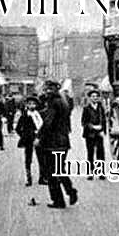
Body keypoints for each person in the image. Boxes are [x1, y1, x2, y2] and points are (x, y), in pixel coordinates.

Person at [39, 80, 78, 208]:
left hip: (52, 142)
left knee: (51, 172)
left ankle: (58, 201)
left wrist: (39, 137)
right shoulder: (63, 101)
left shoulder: (52, 102)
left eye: (47, 89)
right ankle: (71, 191)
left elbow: (48, 122)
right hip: (63, 141)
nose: (45, 92)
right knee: (59, 170)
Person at [15, 95, 42, 186]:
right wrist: (24, 136)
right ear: (27, 105)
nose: (32, 106)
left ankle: (42, 177)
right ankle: (29, 178)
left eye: (33, 104)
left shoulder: (38, 114)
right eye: (30, 104)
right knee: (28, 159)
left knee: (41, 159)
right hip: (29, 140)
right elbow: (18, 128)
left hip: (39, 139)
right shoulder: (24, 116)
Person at [81, 88, 106, 180]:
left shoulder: (101, 108)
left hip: (99, 134)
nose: (95, 98)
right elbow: (84, 122)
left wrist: (103, 130)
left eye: (96, 96)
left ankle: (101, 172)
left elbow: (104, 120)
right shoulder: (86, 109)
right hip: (90, 134)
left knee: (101, 153)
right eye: (93, 96)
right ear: (90, 98)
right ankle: (90, 173)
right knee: (90, 153)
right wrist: (92, 127)